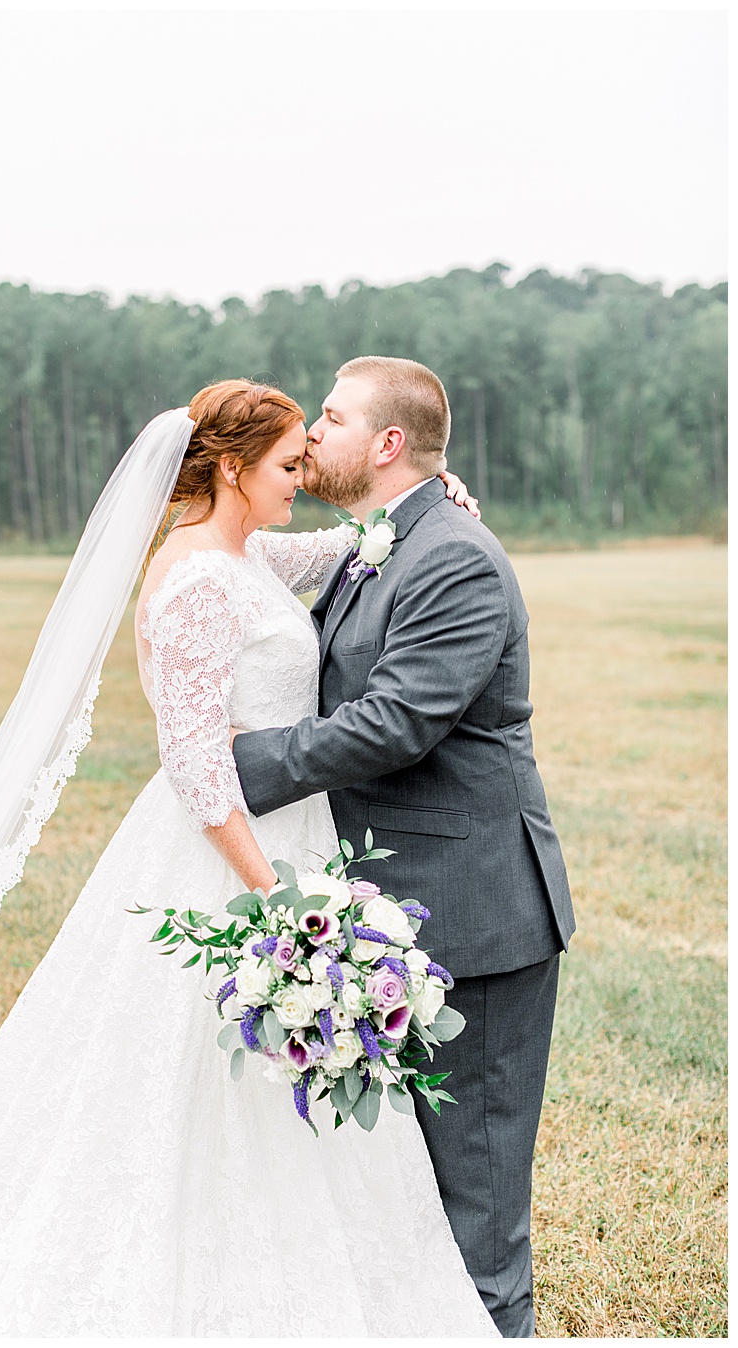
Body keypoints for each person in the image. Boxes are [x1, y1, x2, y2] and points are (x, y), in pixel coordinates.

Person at [0, 380, 497, 1336]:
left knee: (280, 1084)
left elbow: (358, 540)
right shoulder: (192, 580)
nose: (302, 474)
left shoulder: (254, 552)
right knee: (192, 1071)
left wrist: (438, 496)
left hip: (297, 837)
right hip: (231, 855)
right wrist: (279, 906)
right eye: (285, 464)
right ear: (230, 469)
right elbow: (194, 763)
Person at [232, 357, 573, 1338]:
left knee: (475, 1200)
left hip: (477, 918)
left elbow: (393, 723)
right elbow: (224, 557)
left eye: (330, 419)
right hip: (394, 907)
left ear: (386, 444)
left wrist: (234, 765)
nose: (310, 437)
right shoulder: (375, 539)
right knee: (396, 1190)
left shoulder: (453, 557)